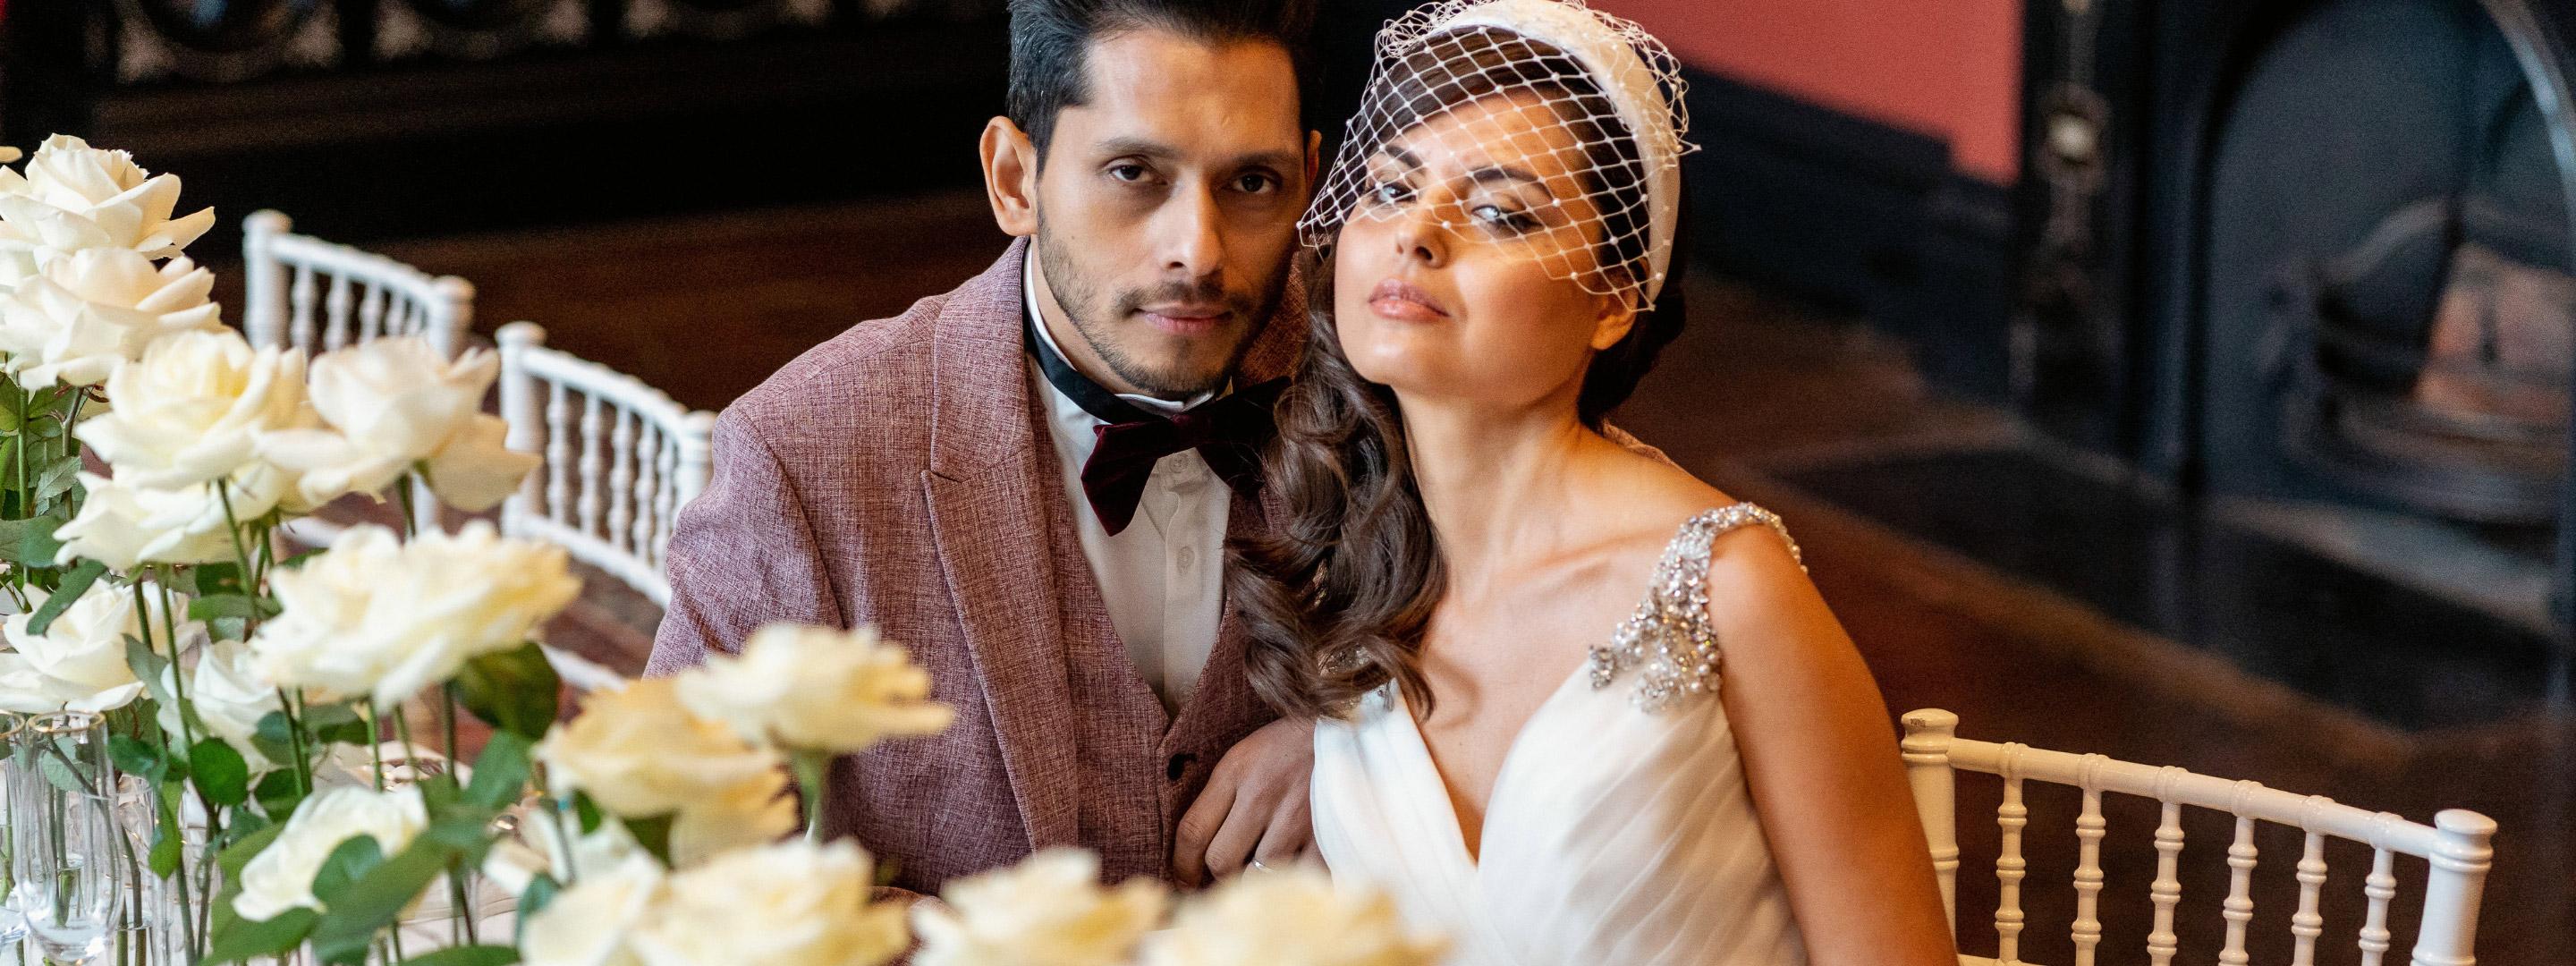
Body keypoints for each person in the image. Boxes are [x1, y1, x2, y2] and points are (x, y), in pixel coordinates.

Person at [1230, 1, 1960, 962]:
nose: (1418, 234)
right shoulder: (1356, 569)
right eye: (1392, 189)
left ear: (1616, 302)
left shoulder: (1723, 587)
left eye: (1500, 212)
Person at [648, 0, 1326, 900]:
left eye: (1251, 184)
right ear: (1015, 178)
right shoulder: (810, 449)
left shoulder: (1385, 384)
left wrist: (1369, 745)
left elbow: (1560, 630)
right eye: (1134, 173)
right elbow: (670, 858)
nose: (1197, 252)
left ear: (1309, 179)